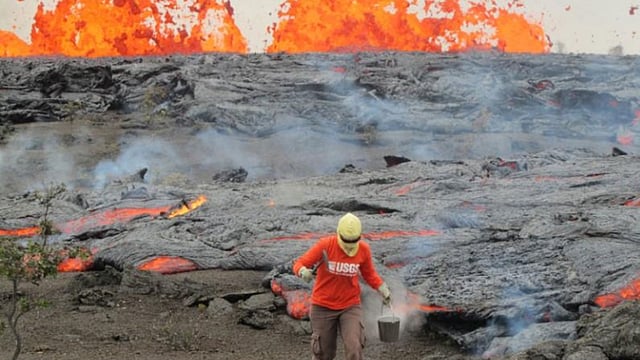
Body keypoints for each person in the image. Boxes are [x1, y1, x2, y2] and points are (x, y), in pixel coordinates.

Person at [293, 212, 392, 360]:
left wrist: (382, 288)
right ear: (339, 233)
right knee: (323, 354)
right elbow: (299, 264)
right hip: (323, 306)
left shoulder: (363, 250)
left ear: (359, 236)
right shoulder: (325, 245)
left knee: (354, 348)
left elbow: (369, 274)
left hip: (350, 305)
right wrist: (302, 271)